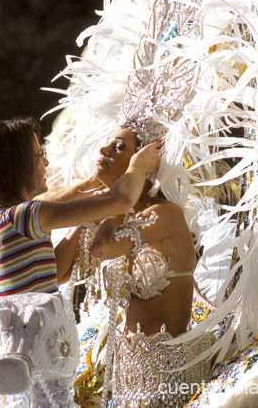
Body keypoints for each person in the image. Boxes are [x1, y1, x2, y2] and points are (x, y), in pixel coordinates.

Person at [57, 124, 202, 408]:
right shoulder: (110, 218)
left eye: (120, 147)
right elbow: (57, 272)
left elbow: (102, 249)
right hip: (126, 375)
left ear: (144, 162)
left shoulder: (164, 213)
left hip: (168, 372)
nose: (103, 149)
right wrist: (89, 205)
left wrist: (114, 203)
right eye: (107, 143)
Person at [0, 117, 161, 303]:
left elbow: (54, 273)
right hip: (37, 340)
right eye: (39, 154)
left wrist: (87, 190)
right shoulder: (26, 216)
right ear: (19, 165)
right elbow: (123, 200)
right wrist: (139, 165)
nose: (46, 161)